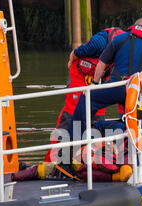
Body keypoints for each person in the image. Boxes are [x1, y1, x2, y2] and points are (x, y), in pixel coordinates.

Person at [67, 18, 142, 140]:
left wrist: (94, 84)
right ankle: (124, 137)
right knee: (137, 120)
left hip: (117, 87)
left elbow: (101, 63)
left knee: (86, 98)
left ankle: (79, 138)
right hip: (140, 93)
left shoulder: (119, 38)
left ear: (134, 26)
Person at [45, 27, 124, 162]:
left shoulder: (125, 48)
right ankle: (54, 159)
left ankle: (92, 158)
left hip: (98, 80)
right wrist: (71, 58)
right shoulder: (98, 42)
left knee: (98, 119)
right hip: (80, 75)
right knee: (71, 115)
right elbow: (76, 53)